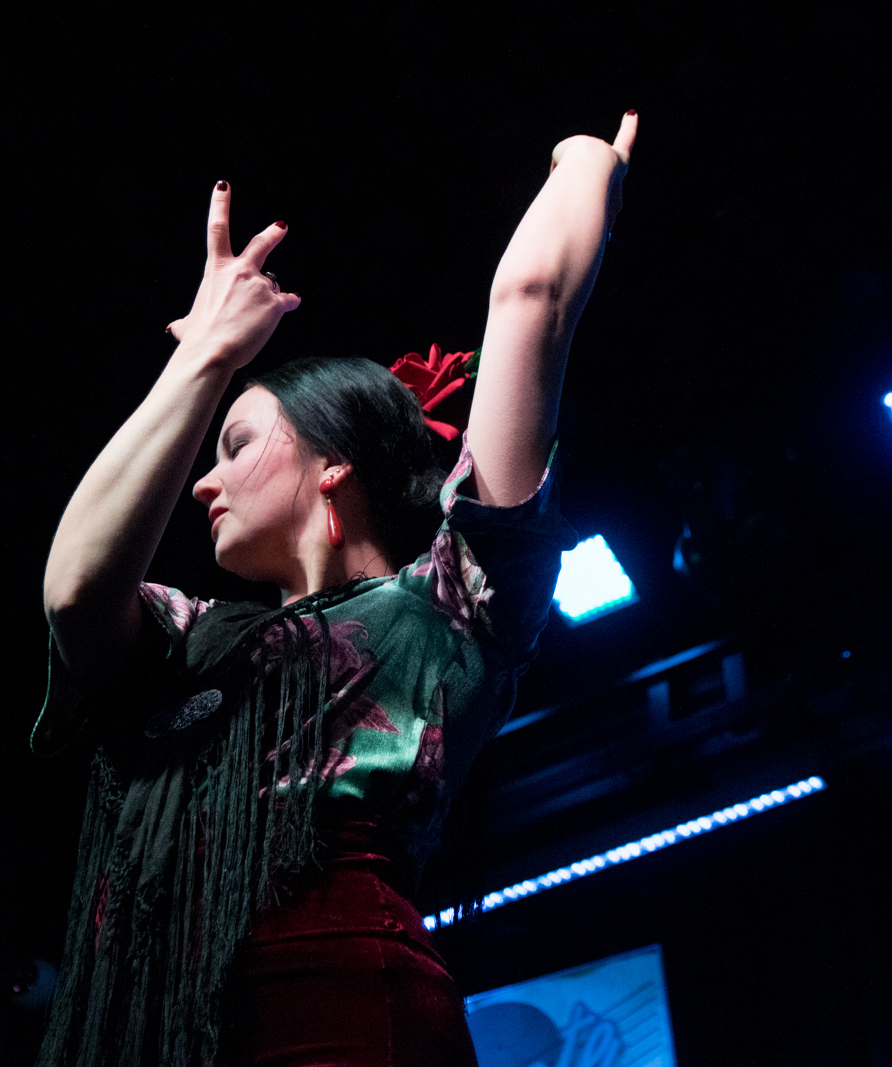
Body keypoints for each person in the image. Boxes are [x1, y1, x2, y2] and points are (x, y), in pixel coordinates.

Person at [33, 110, 638, 1067]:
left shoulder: (447, 609)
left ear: (333, 466)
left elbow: (531, 300)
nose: (202, 481)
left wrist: (586, 160)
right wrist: (205, 358)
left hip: (349, 1021)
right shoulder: (183, 636)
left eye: (236, 446)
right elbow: (75, 590)